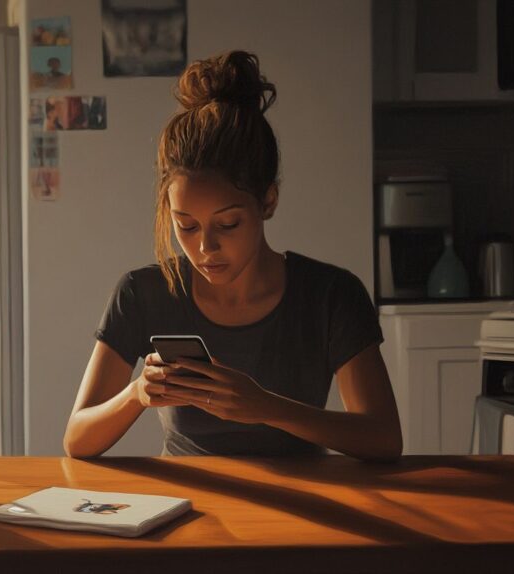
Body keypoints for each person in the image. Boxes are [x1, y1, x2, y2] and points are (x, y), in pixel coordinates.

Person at [63, 51, 402, 461]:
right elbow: (77, 440)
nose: (205, 248)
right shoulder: (143, 293)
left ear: (268, 201)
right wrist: (137, 394)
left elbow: (384, 438)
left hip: (303, 505)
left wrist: (267, 407)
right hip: (187, 506)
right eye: (186, 226)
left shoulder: (331, 295)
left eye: (228, 225)